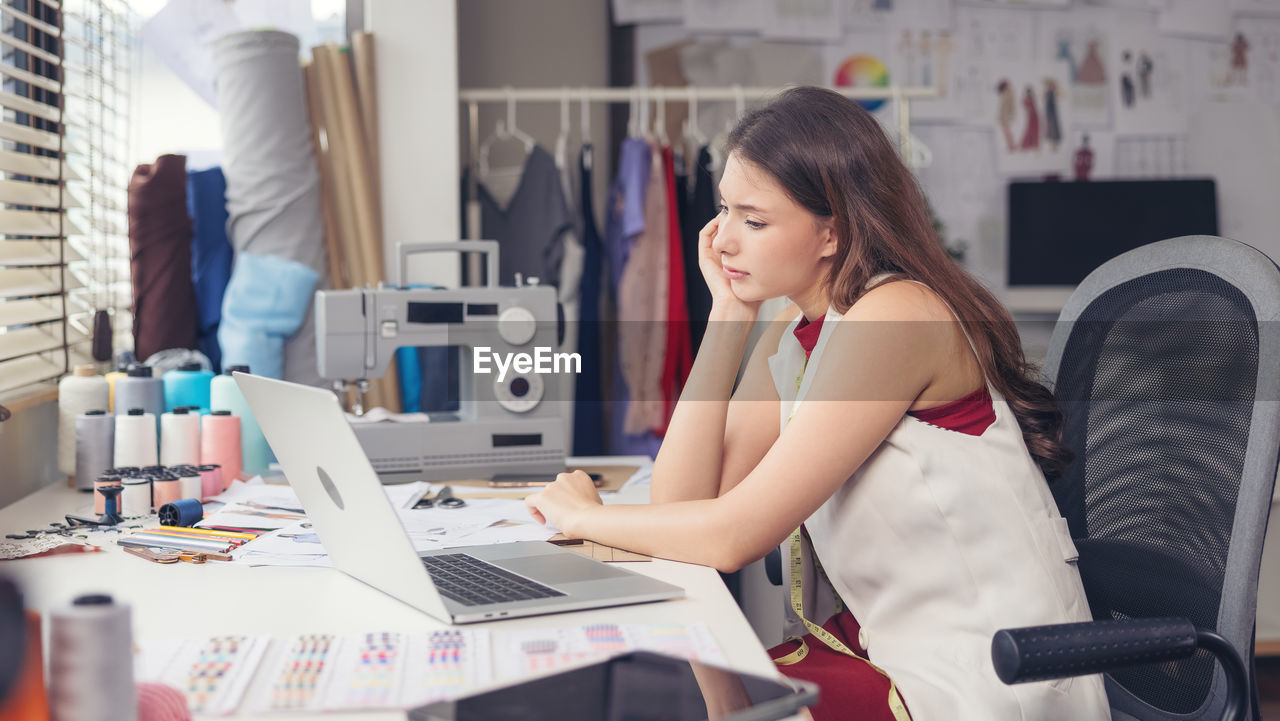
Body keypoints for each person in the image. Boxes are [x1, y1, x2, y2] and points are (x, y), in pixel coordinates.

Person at [525, 87, 1109, 721]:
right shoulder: (794, 329)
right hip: (891, 643)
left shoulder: (895, 317)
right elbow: (683, 509)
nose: (721, 240)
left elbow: (730, 537)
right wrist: (728, 317)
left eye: (754, 219)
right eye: (723, 211)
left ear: (832, 231)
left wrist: (583, 518)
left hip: (988, 668)